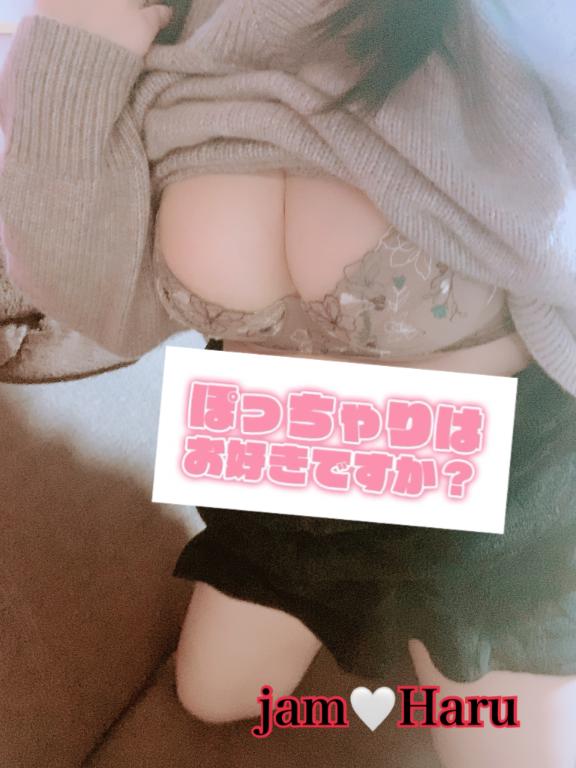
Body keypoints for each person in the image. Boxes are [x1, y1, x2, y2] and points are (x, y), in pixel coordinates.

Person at [0, 1, 575, 764]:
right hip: (288, 495)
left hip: (494, 521)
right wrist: (72, 51)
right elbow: (101, 301)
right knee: (212, 695)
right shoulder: (167, 24)